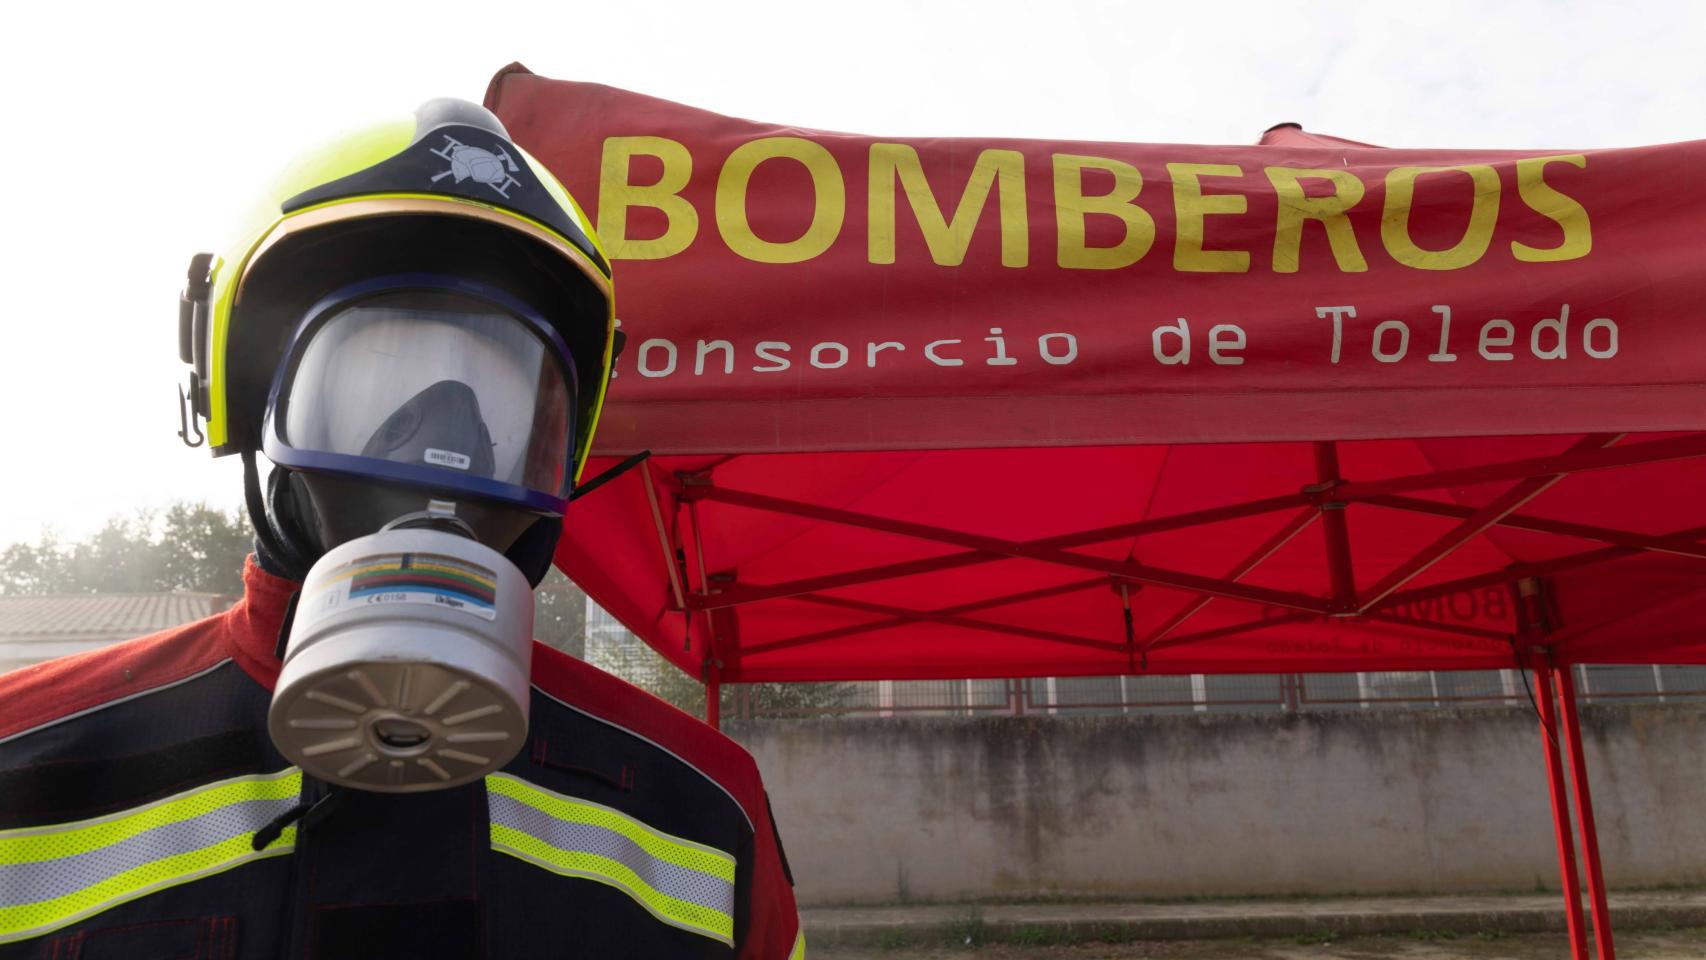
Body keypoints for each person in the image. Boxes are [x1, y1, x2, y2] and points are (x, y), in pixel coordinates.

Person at [0, 99, 805, 960]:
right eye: (380, 373)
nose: (443, 440)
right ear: (250, 397)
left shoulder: (708, 822)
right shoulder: (23, 774)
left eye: (499, 398)